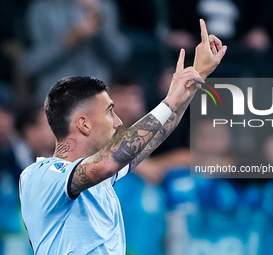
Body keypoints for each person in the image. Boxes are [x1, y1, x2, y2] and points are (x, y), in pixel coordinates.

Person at [19, 19, 227, 254]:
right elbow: (106, 163)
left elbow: (153, 135)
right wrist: (168, 101)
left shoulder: (101, 178)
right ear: (84, 124)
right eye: (109, 112)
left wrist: (193, 80)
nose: (118, 122)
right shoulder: (41, 175)